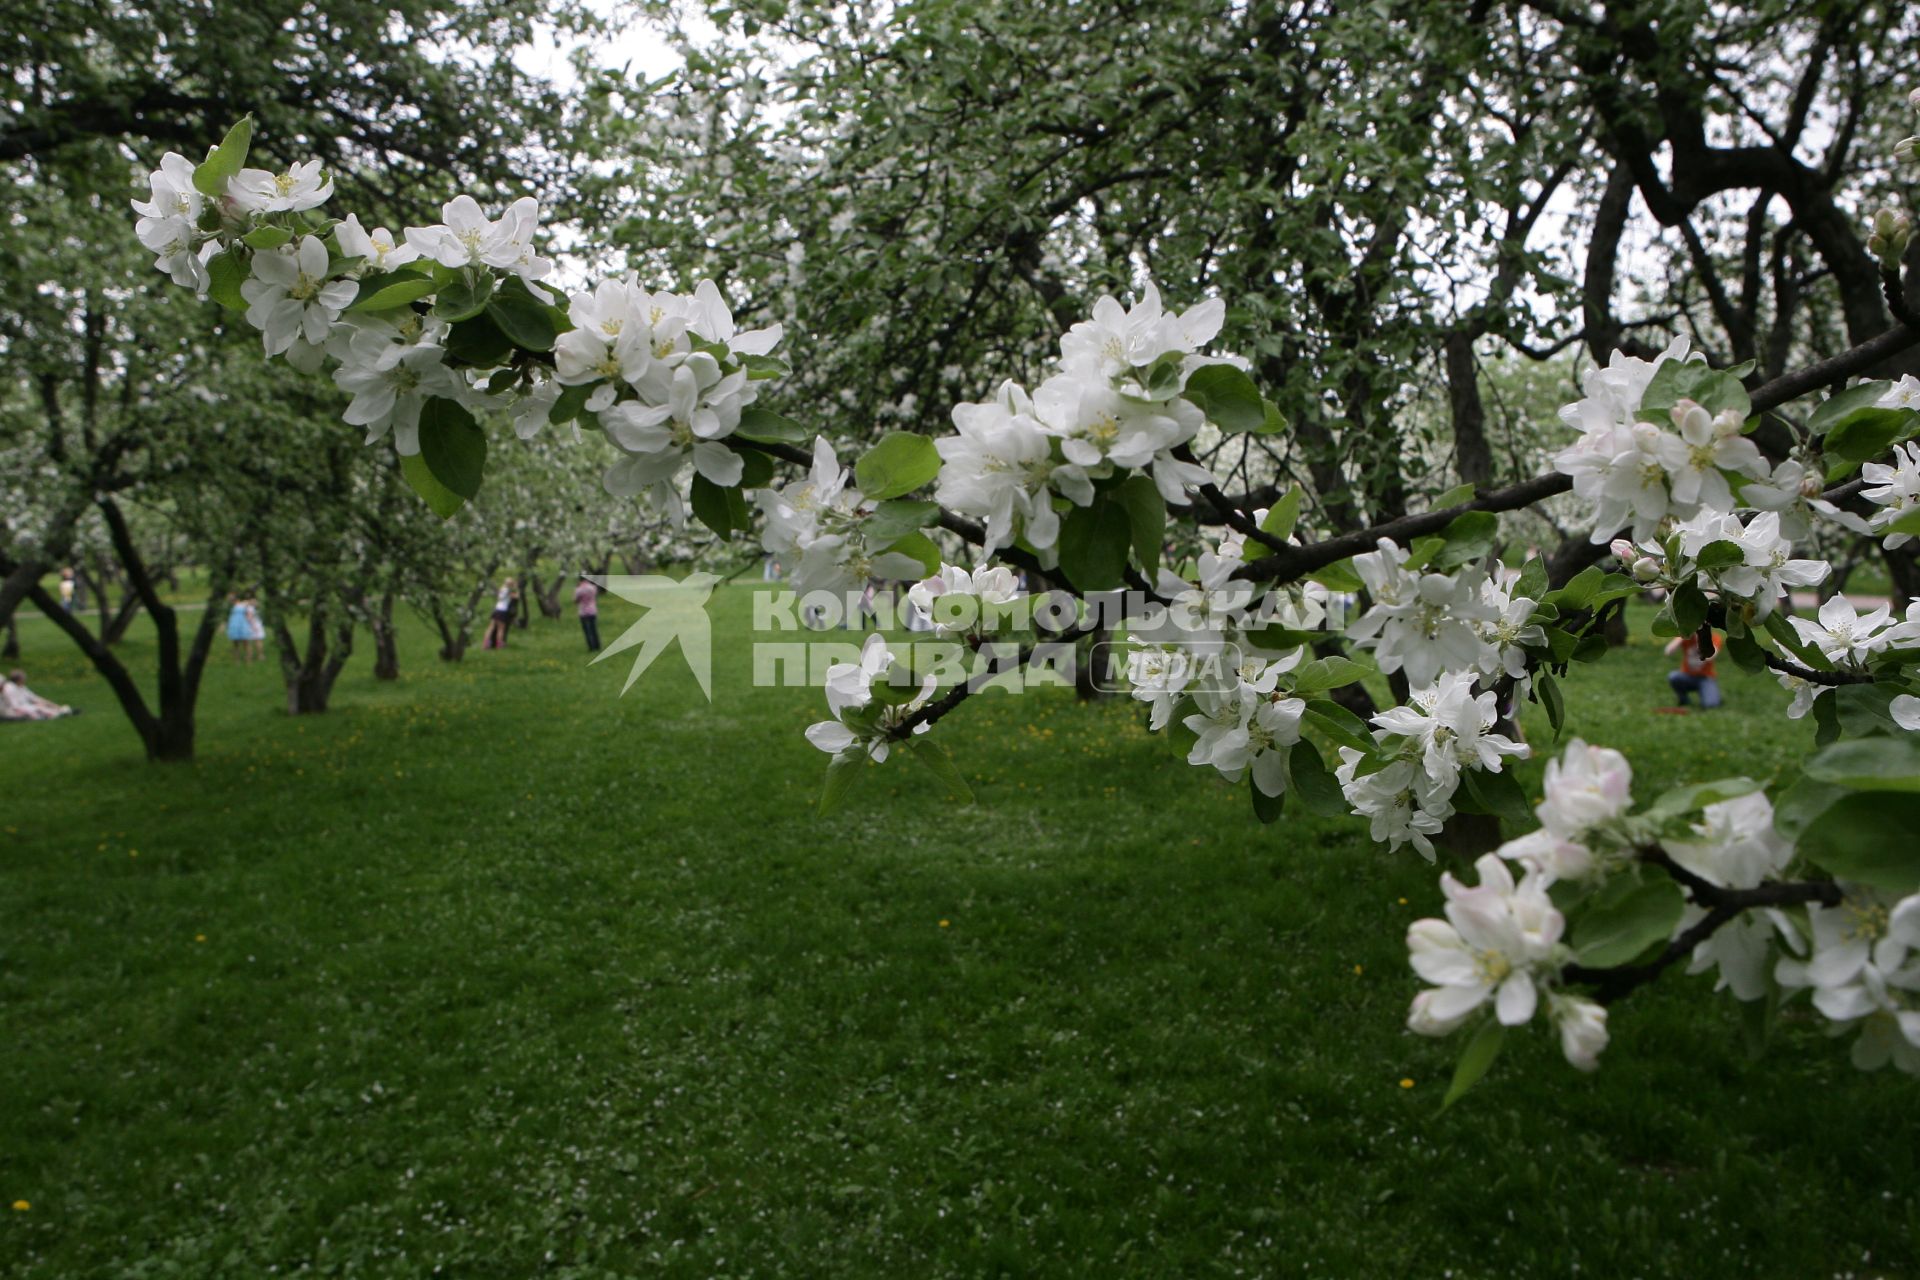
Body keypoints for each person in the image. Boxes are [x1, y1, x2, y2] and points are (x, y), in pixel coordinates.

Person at [1665, 630, 1724, 709]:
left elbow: (1710, 656)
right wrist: (1682, 637)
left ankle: (1710, 694)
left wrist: (1700, 640)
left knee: (1711, 705)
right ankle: (1684, 700)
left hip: (1706, 678)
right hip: (1687, 676)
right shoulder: (1686, 637)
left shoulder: (1714, 637)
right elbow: (1668, 651)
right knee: (1673, 676)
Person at [1, 669, 75, 720]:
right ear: (19, 679)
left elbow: (35, 698)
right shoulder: (9, 689)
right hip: (15, 711)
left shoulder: (21, 687)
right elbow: (15, 706)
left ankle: (60, 711)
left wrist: (56, 706)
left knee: (39, 706)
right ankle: (58, 714)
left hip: (23, 707)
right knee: (38, 708)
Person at [484, 577, 518, 650]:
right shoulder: (509, 591)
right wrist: (515, 587)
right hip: (502, 611)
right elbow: (516, 596)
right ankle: (499, 644)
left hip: (496, 610)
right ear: (511, 584)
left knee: (490, 627)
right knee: (501, 629)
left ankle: (486, 643)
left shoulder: (502, 589)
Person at [574, 575, 602, 652]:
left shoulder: (579, 589)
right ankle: (597, 645)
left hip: (583, 612)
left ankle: (591, 647)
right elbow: (595, 596)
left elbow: (575, 600)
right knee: (594, 629)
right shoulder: (593, 587)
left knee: (587, 630)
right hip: (592, 610)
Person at [226, 593, 253, 663]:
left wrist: (251, 623)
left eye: (230, 598)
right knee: (236, 644)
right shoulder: (232, 606)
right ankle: (237, 659)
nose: (229, 600)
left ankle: (248, 659)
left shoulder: (243, 604)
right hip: (235, 625)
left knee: (246, 643)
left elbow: (249, 612)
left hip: (242, 625)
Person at [245, 595, 265, 663]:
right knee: (257, 641)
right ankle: (259, 655)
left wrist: (253, 626)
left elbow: (249, 618)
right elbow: (249, 618)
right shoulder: (251, 608)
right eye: (253, 600)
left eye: (255, 600)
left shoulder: (251, 608)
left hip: (254, 626)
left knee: (255, 641)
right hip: (255, 625)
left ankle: (255, 656)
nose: (255, 602)